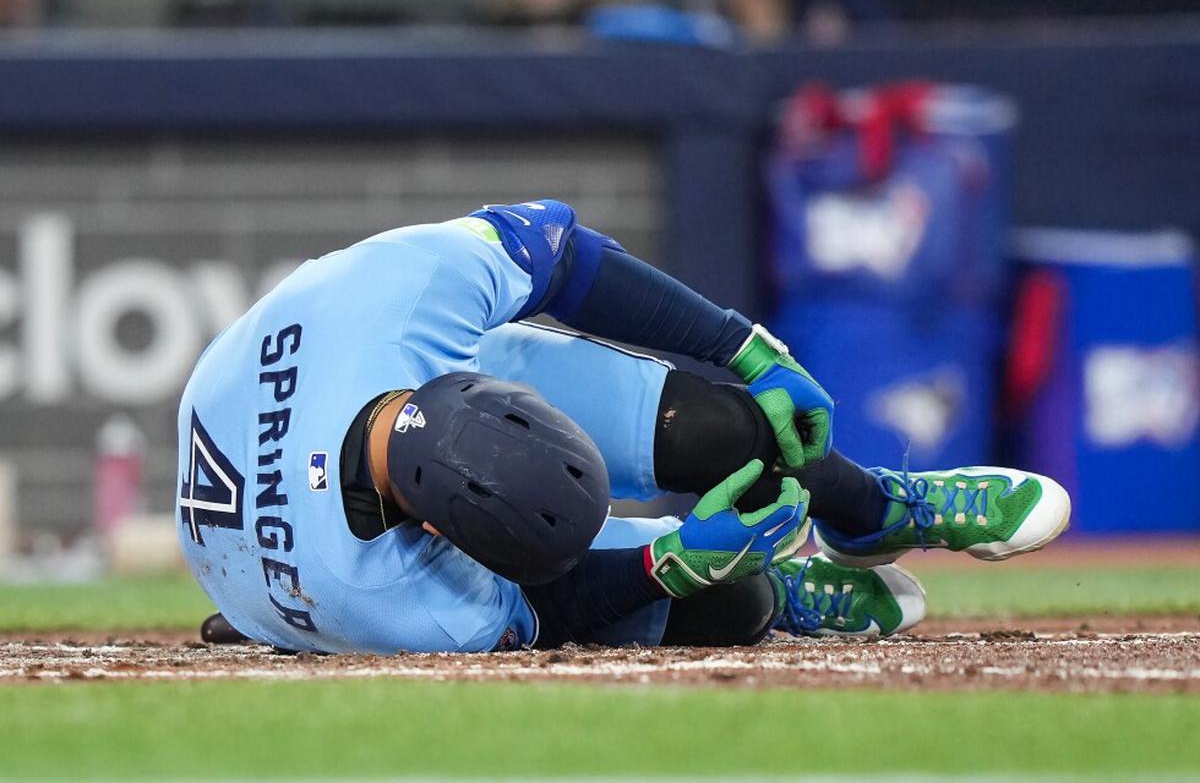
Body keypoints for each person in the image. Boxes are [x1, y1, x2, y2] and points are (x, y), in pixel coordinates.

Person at [180, 200, 1069, 653]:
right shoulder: (383, 595)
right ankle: (790, 592)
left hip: (315, 377)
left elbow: (567, 257)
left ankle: (874, 511)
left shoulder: (405, 296)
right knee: (732, 604)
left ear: (486, 387)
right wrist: (669, 563)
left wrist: (747, 349)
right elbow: (547, 608)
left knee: (726, 430)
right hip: (279, 560)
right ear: (437, 535)